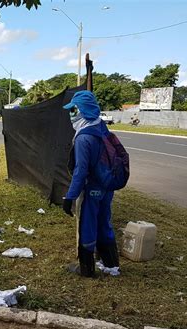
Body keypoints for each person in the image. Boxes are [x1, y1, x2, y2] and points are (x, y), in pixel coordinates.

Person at [62, 90, 120, 278]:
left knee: (88, 225)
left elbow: (81, 170)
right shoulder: (101, 128)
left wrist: (70, 196)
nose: (71, 115)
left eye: (73, 110)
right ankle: (111, 265)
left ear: (82, 111)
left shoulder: (83, 137)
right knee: (105, 222)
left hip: (92, 188)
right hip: (106, 186)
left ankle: (86, 268)